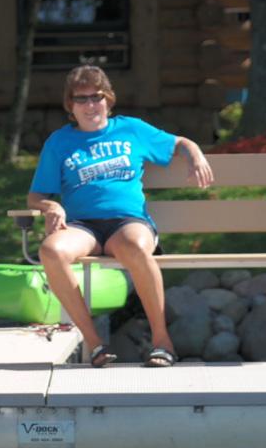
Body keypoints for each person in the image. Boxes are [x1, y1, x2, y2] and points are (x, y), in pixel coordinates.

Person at [27, 65, 213, 367]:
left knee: (135, 247)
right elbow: (35, 196)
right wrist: (51, 206)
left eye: (96, 97)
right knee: (51, 250)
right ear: (70, 105)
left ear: (108, 99)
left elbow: (179, 143)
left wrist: (195, 154)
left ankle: (162, 342)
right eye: (81, 99)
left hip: (128, 222)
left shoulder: (131, 129)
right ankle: (95, 343)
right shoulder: (59, 142)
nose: (90, 105)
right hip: (83, 227)